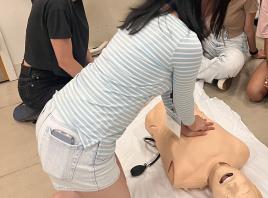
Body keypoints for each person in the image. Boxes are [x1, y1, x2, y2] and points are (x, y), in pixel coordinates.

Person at [35, 0, 231, 197]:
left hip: (55, 114)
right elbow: (182, 101)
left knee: (77, 188)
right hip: (82, 143)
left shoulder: (147, 15)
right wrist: (190, 121)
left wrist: (181, 123)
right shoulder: (186, 43)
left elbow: (169, 90)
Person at [145, 102, 262, 198]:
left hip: (155, 117)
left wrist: (177, 124)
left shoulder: (184, 175)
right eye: (244, 190)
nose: (232, 186)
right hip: (184, 102)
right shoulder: (241, 151)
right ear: (253, 185)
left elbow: (162, 138)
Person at [14, 0, 92, 122]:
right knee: (94, 102)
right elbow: (65, 61)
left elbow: (79, 42)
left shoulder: (74, 2)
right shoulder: (57, 6)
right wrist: (95, 84)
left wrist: (94, 69)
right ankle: (39, 107)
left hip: (57, 75)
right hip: (38, 85)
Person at [197, 0, 265, 91]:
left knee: (233, 64)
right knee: (185, 48)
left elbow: (248, 29)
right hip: (211, 35)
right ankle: (216, 76)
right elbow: (205, 18)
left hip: (233, 43)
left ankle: (190, 69)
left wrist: (254, 52)